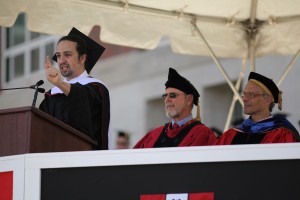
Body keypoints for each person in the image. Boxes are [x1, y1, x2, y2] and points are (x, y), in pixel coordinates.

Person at [39, 27, 110, 150]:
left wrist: (60, 83)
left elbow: (81, 98)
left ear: (82, 58)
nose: (61, 61)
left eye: (67, 55)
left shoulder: (96, 88)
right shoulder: (52, 94)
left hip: (85, 160)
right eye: (58, 56)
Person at [134, 68, 217, 148]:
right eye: (165, 96)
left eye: (172, 95)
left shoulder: (202, 134)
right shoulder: (154, 135)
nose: (167, 100)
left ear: (189, 99)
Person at [215, 71, 300, 145]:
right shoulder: (232, 134)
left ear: (267, 100)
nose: (244, 99)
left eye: (251, 94)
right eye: (244, 94)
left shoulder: (282, 134)